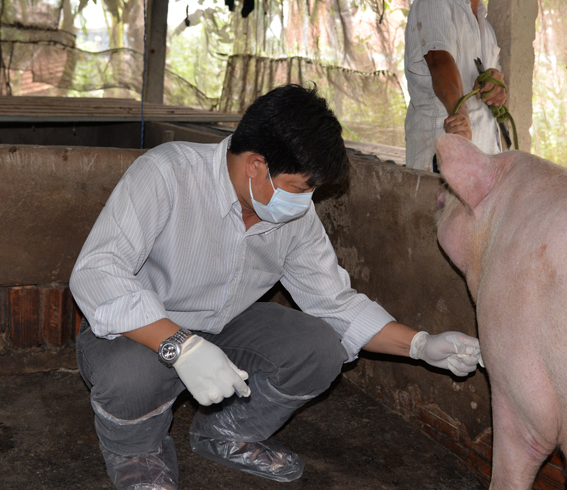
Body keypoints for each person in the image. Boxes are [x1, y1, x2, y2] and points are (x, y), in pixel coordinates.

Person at [70, 84, 482, 490]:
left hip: (225, 322)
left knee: (320, 348)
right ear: (255, 165)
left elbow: (335, 304)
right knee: (131, 376)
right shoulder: (167, 172)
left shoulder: (295, 218)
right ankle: (135, 452)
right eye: (299, 188)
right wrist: (182, 345)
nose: (305, 202)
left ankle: (226, 431)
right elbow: (96, 272)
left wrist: (421, 345)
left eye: (311, 191)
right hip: (136, 333)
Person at [404, 0, 509, 171]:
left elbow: (489, 83)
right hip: (442, 155)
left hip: (482, 156)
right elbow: (440, 62)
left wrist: (496, 89)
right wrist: (459, 114)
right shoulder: (434, 3)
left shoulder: (485, 26)